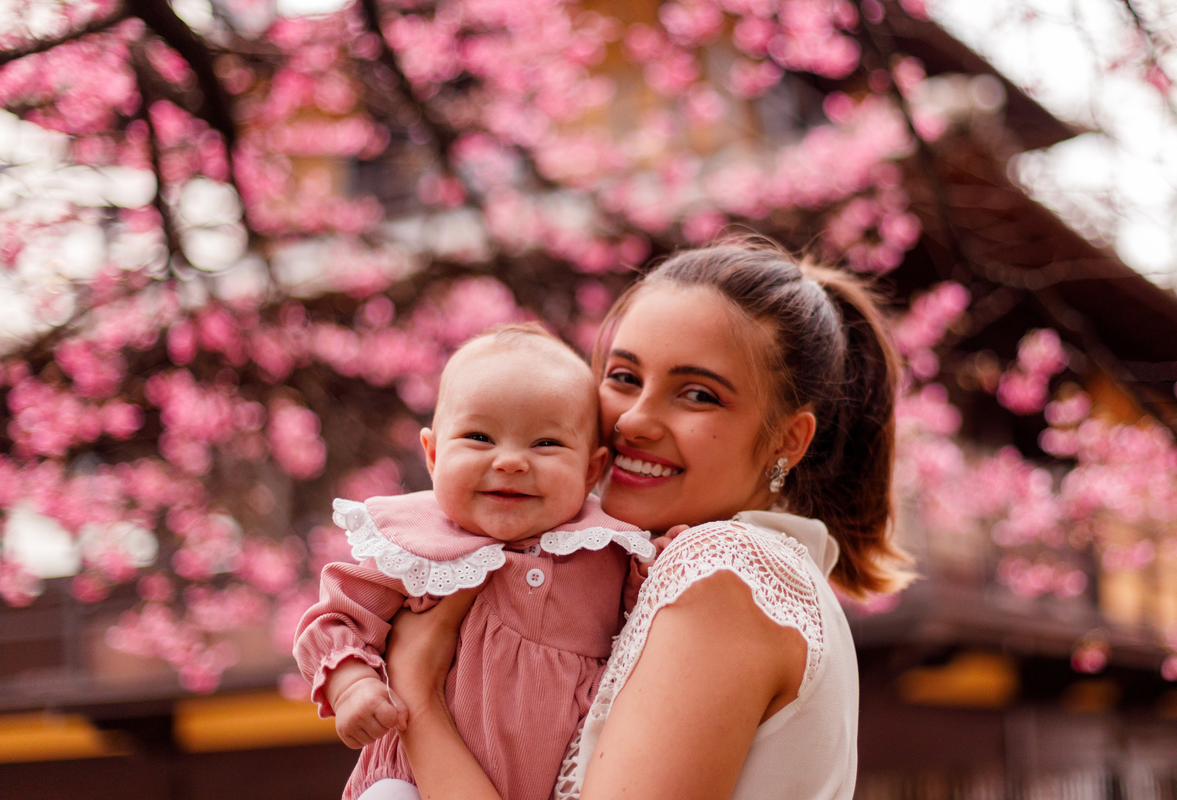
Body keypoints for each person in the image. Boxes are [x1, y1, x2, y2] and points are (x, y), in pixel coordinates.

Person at [380, 242, 913, 800]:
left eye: (698, 394)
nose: (634, 420)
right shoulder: (676, 571)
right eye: (624, 377)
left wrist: (416, 694)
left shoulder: (725, 571)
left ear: (787, 439)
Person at [293, 323, 656, 800]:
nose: (510, 461)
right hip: (414, 781)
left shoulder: (605, 546)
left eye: (546, 444)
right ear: (433, 453)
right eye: (480, 437)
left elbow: (642, 616)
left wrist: (660, 560)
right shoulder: (415, 541)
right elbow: (336, 618)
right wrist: (352, 686)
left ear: (590, 469)